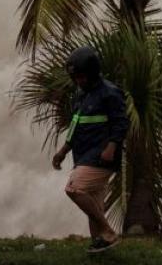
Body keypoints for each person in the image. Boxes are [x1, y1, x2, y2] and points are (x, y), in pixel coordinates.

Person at [51, 46, 129, 255]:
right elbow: (75, 126)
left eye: (82, 76)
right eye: (75, 77)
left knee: (74, 189)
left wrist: (112, 147)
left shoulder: (110, 93)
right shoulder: (80, 95)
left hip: (102, 155)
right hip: (83, 155)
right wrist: (63, 151)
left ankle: (108, 232)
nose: (79, 81)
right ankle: (101, 245)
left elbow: (121, 123)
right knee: (94, 205)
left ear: (93, 72)